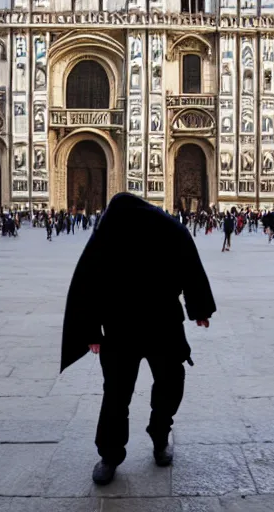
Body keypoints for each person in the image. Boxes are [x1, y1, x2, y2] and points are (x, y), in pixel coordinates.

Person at [60, 193, 216, 486]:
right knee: (123, 393)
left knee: (141, 388)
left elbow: (85, 283)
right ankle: (112, 453)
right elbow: (90, 281)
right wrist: (200, 309)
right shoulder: (120, 231)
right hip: (123, 327)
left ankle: (156, 437)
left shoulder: (162, 229)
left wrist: (199, 308)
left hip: (161, 323)